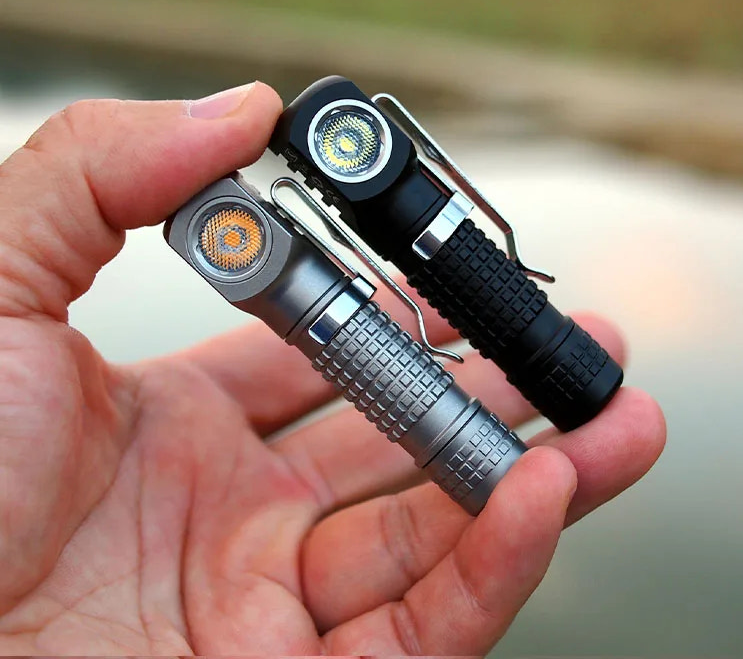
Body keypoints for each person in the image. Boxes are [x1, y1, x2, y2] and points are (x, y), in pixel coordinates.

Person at [0, 82, 666, 655]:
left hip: (340, 293)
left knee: (532, 482)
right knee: (523, 493)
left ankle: (526, 453)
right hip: (314, 294)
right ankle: (512, 470)